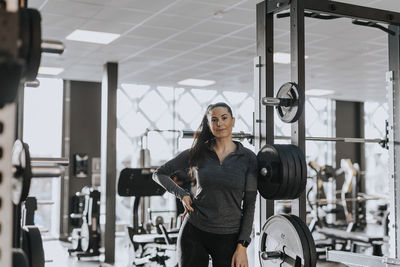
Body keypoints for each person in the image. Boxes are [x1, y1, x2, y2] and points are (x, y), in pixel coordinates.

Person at [153, 102, 258, 267]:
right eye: (214, 120)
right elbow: (159, 174)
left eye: (224, 118)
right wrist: (182, 194)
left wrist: (243, 246)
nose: (219, 123)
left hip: (229, 236)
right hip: (195, 230)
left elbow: (250, 204)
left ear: (233, 121)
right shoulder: (198, 152)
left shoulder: (248, 158)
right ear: (209, 125)